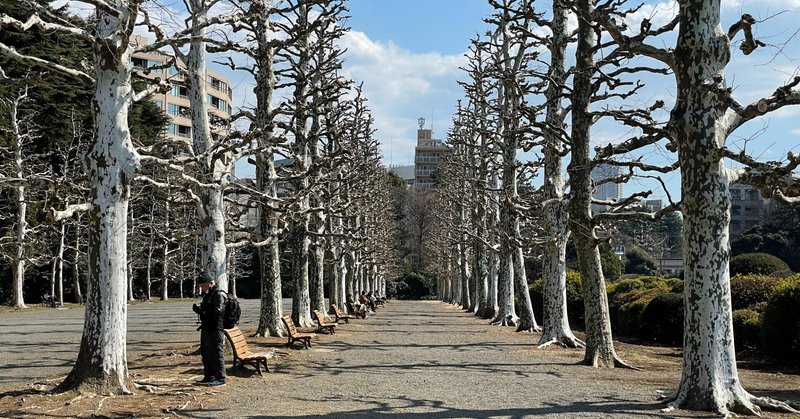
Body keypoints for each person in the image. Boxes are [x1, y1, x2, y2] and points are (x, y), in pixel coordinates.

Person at [192, 272, 227, 387]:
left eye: (204, 285)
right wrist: (199, 310)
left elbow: (218, 311)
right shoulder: (208, 295)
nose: (202, 288)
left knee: (217, 353)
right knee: (206, 353)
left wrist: (204, 311)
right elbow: (207, 310)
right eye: (201, 286)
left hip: (216, 328)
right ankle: (209, 376)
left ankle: (220, 378)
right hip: (206, 327)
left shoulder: (219, 295)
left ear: (211, 283)